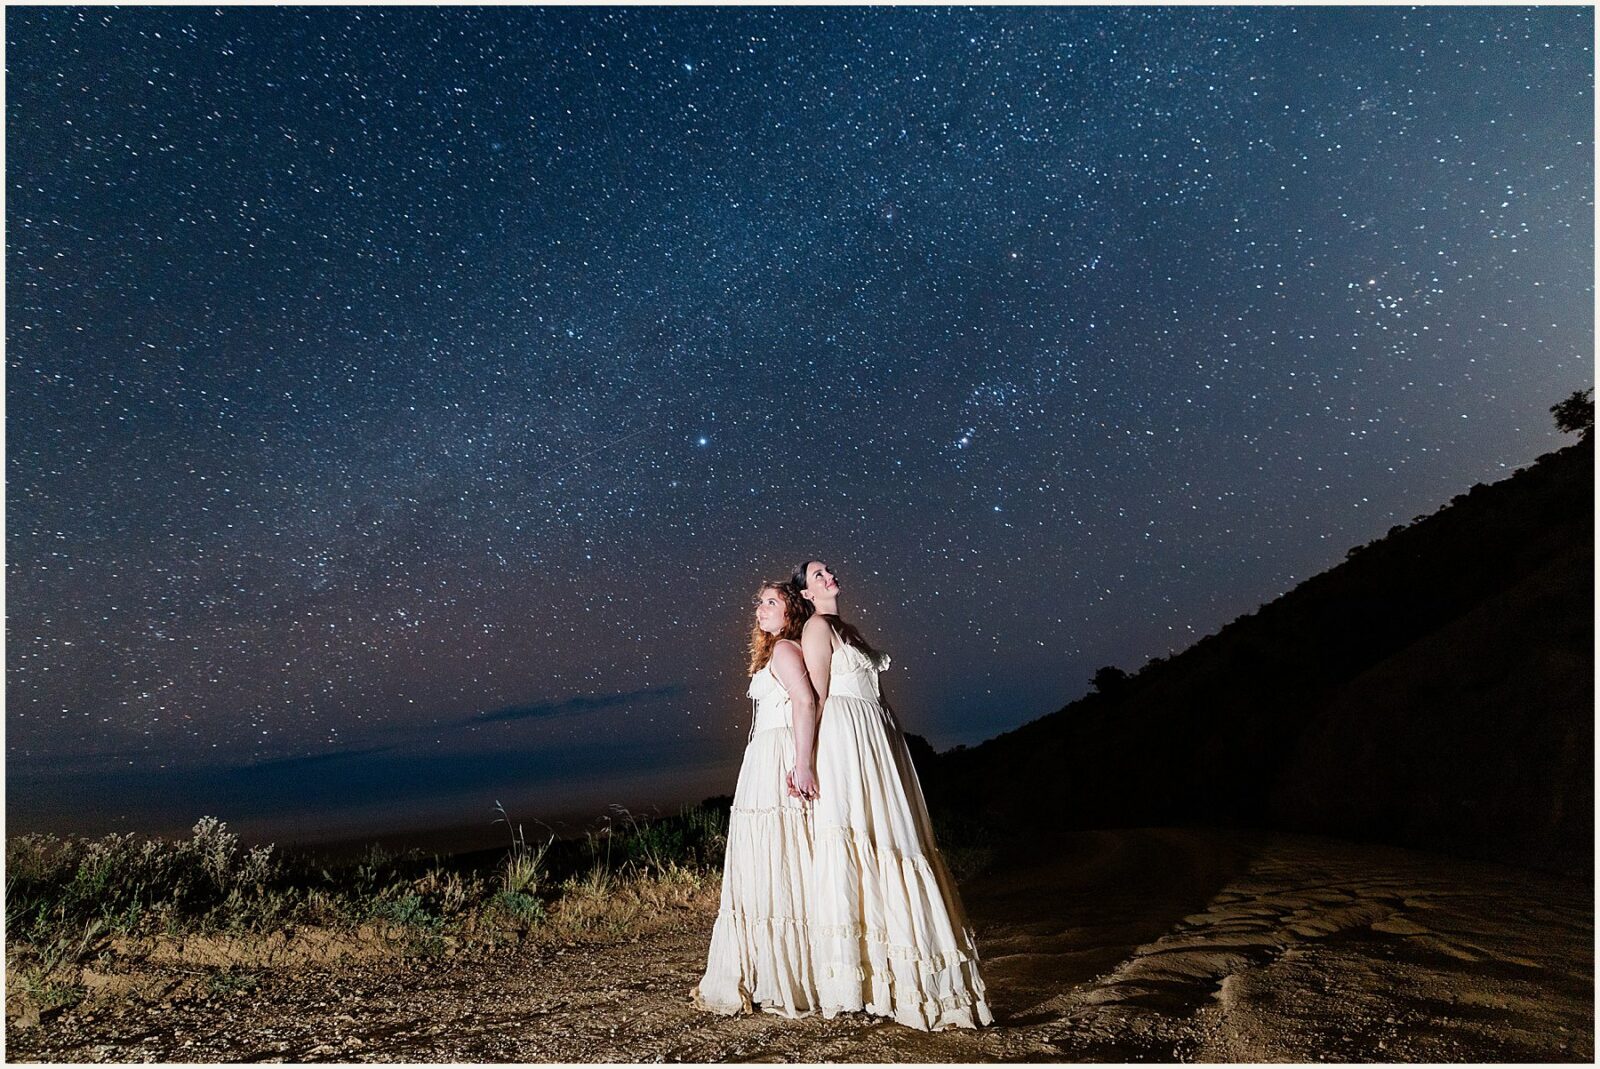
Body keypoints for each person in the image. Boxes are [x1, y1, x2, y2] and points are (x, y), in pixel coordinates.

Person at [795, 559, 993, 1031]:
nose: (828, 577)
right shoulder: (817, 628)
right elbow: (818, 697)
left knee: (895, 836)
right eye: (818, 575)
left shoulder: (849, 627)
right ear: (805, 593)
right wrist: (807, 760)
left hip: (879, 737)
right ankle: (857, 982)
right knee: (861, 838)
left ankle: (904, 975)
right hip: (847, 741)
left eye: (828, 571)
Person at [692, 581, 821, 1018]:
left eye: (772, 602)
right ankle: (772, 970)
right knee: (769, 859)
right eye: (760, 602)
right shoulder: (776, 652)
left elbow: (806, 702)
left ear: (791, 613)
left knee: (780, 855)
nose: (760, 608)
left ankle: (790, 975)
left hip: (779, 756)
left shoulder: (785, 649)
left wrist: (802, 763)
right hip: (765, 758)